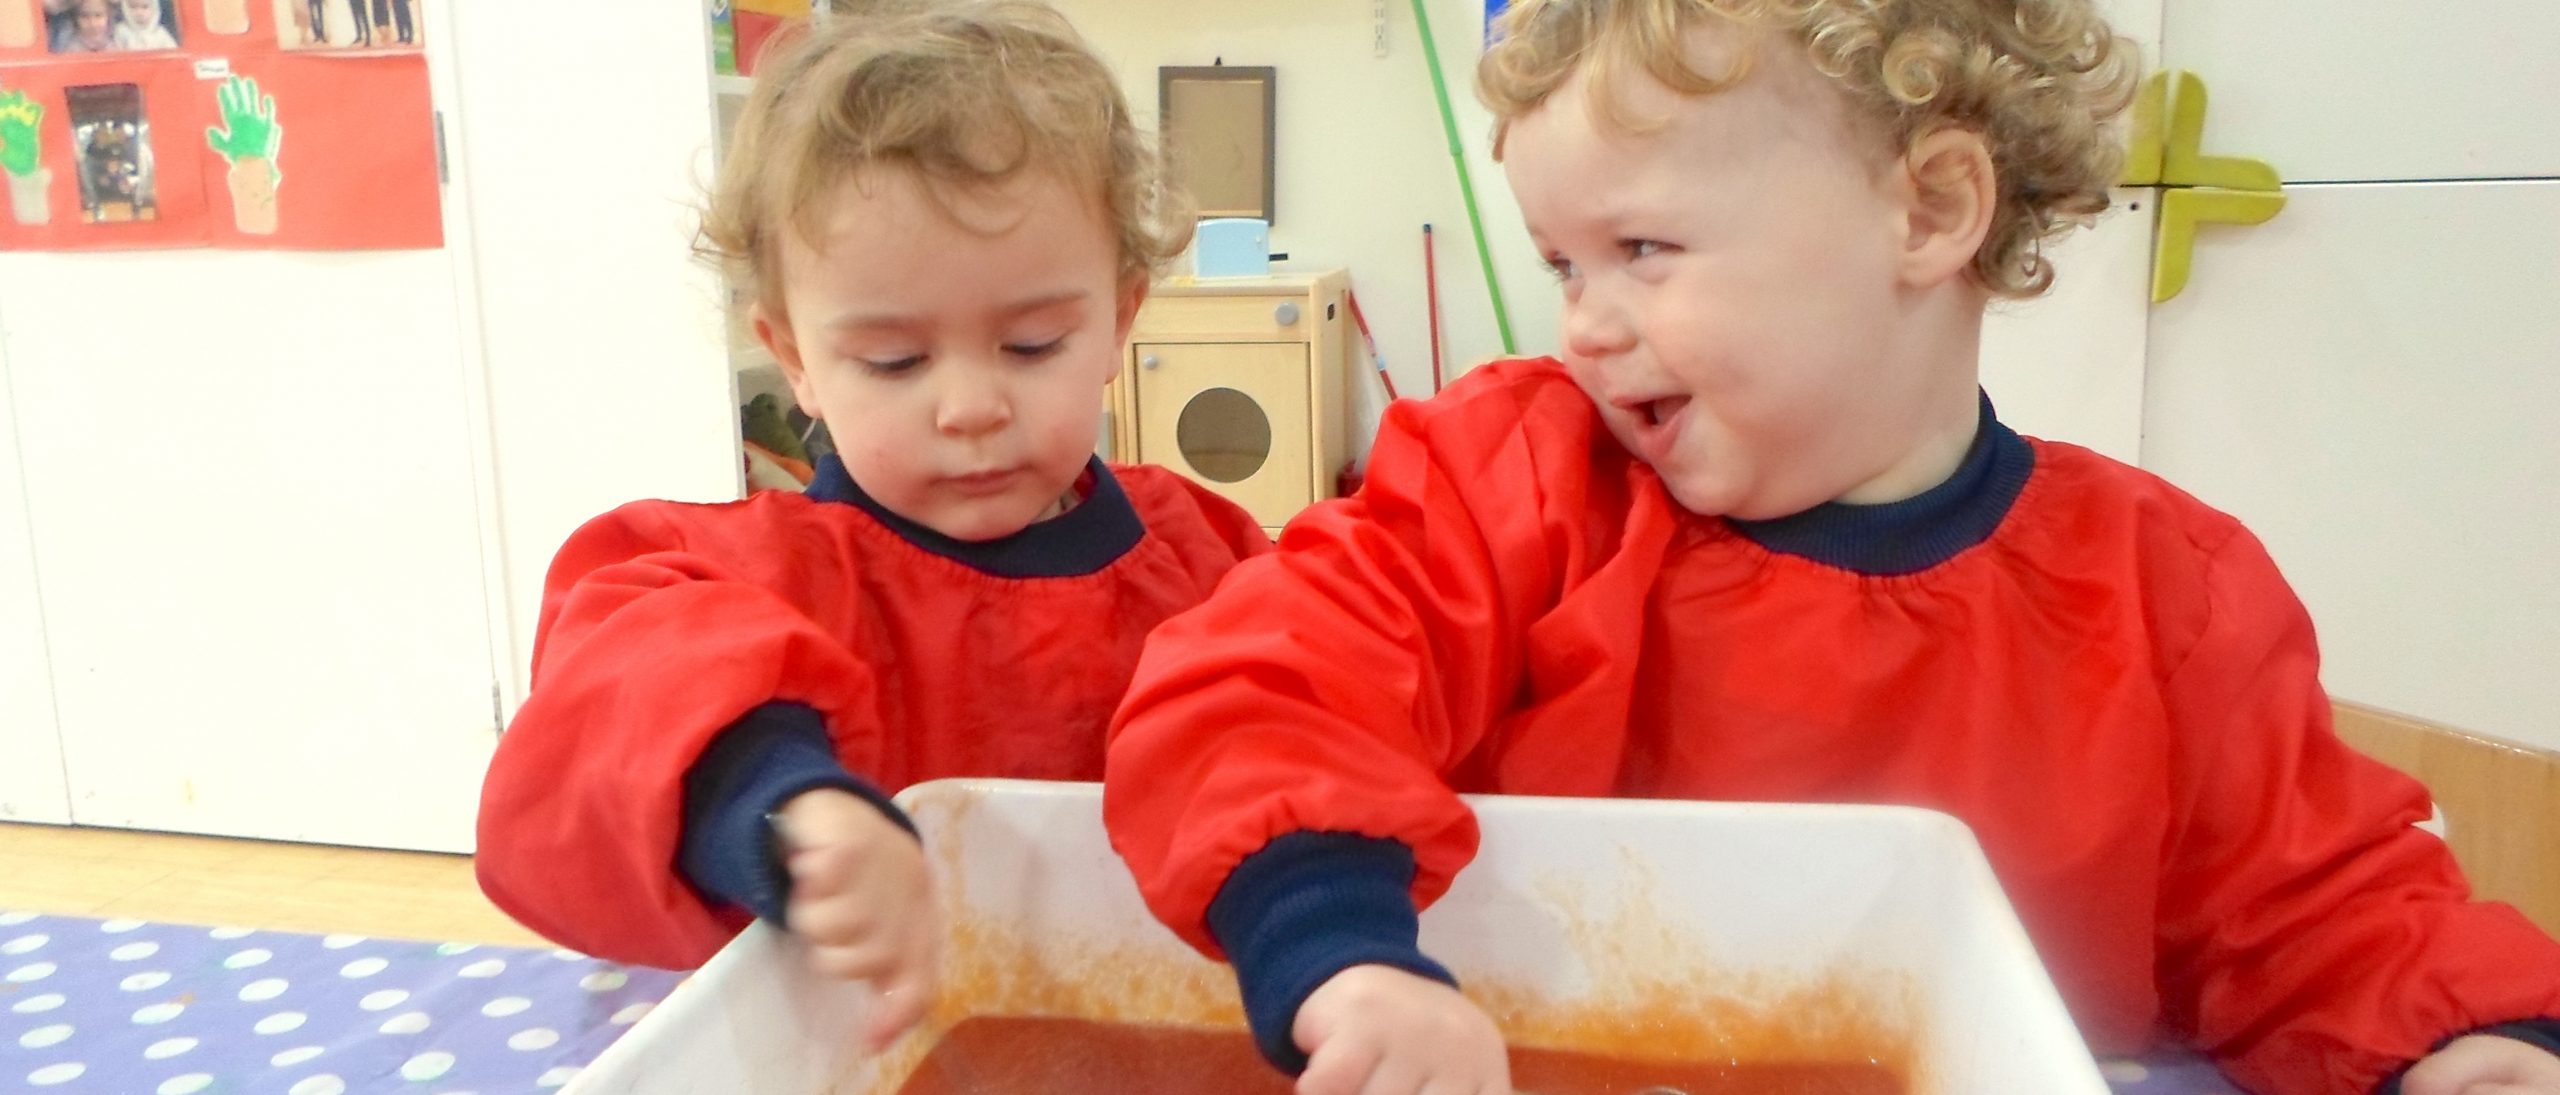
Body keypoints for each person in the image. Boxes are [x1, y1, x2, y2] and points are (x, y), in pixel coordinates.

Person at [1101, 2, 2560, 1094]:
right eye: (1561, 262)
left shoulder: (2167, 587)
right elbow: (1256, 687)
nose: (1585, 323)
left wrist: (2465, 1041)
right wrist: (1339, 946)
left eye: (1645, 250)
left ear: (1928, 209)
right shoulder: (1511, 479)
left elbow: (2319, 904)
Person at [475, 0, 1268, 1052]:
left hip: (1179, 1041)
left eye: (1032, 344)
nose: (970, 406)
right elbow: (617, 696)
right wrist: (777, 807)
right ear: (794, 354)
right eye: (894, 362)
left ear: (1119, 317)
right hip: (860, 1050)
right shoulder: (741, 576)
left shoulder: (1214, 559)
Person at [110, 0, 176, 51]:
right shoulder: (121, 30)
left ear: (154, 8)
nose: (139, 13)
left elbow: (174, 55)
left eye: (145, 7)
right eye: (133, 7)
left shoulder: (160, 33)